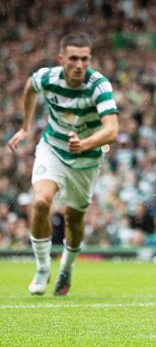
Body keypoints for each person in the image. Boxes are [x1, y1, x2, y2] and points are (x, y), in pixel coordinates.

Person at [7, 33, 119, 296]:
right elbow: (29, 87)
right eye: (73, 59)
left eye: (85, 59)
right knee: (41, 202)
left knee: (73, 219)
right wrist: (26, 127)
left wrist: (85, 143)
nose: (79, 65)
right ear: (61, 59)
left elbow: (112, 130)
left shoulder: (99, 85)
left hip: (86, 159)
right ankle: (42, 267)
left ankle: (66, 268)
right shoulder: (48, 77)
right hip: (53, 149)